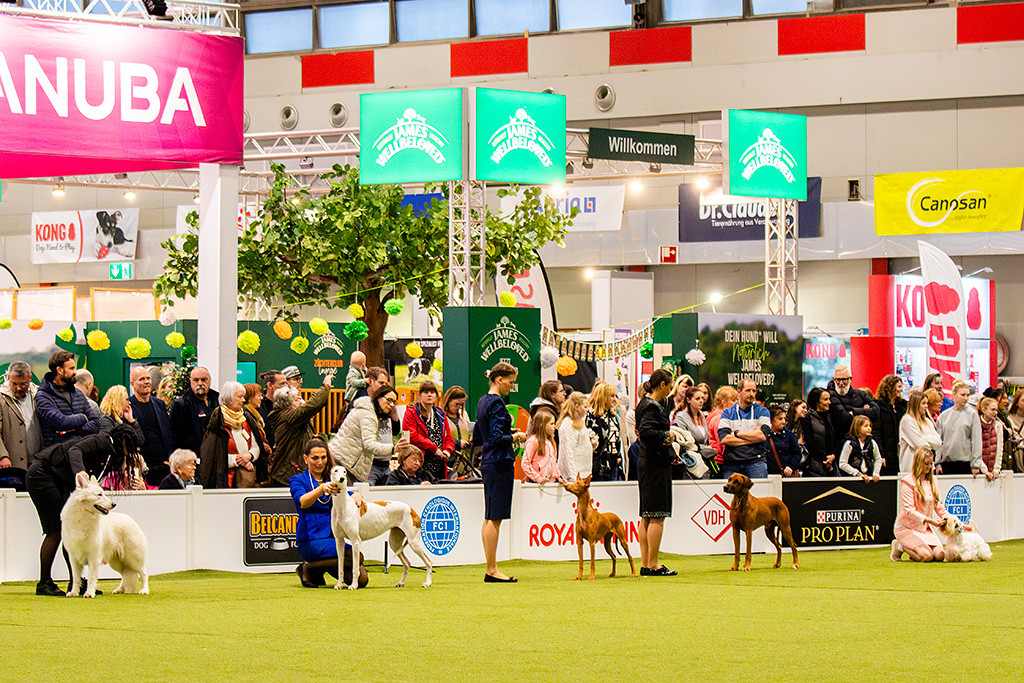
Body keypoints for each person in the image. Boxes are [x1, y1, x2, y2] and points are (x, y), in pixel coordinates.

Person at [26, 423, 138, 596]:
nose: (129, 452)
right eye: (129, 447)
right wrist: (80, 471)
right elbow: (75, 450)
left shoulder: (110, 452)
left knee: (68, 530)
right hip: (42, 475)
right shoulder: (101, 441)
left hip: (57, 478)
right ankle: (45, 583)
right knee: (55, 529)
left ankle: (76, 583)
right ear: (123, 441)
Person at [290, 437, 368, 589]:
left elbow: (345, 491)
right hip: (310, 539)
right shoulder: (298, 480)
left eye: (323, 457)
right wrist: (321, 489)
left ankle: (316, 568)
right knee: (356, 556)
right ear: (306, 459)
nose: (320, 462)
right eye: (315, 458)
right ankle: (308, 568)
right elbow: (302, 502)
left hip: (332, 537)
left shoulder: (331, 479)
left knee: (363, 579)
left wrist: (354, 495)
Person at [477, 361, 526, 583]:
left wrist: (509, 430)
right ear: (499, 380)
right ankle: (492, 569)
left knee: (489, 516)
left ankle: (491, 567)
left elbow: (487, 434)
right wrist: (516, 436)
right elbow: (497, 439)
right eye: (510, 382)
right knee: (494, 517)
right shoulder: (496, 403)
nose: (511, 386)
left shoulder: (482, 401)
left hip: (488, 462)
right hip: (499, 462)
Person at [635, 368, 678, 576]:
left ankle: (645, 563)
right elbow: (646, 431)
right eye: (669, 387)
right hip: (655, 464)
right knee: (657, 516)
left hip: (646, 462)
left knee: (646, 514)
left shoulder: (644, 403)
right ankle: (653, 564)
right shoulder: (652, 407)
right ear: (662, 385)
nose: (670, 391)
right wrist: (666, 436)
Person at [329, 383, 409, 485]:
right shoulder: (368, 414)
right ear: (378, 397)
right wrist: (393, 449)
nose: (392, 405)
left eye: (394, 402)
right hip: (343, 464)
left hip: (346, 463)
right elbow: (369, 444)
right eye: (389, 400)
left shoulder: (372, 412)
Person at [268, 371, 334, 486]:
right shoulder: (288, 417)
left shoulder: (292, 417)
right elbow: (312, 406)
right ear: (287, 404)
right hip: (287, 477)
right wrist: (326, 386)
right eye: (297, 399)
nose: (302, 402)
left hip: (294, 474)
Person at [199, 381, 269, 489]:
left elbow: (256, 446)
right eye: (240, 397)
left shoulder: (246, 418)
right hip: (224, 481)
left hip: (246, 479)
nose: (243, 400)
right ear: (228, 398)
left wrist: (249, 456)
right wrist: (238, 461)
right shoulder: (216, 420)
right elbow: (212, 456)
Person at [891, 447, 947, 563]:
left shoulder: (933, 481)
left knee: (940, 555)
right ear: (919, 463)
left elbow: (939, 506)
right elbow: (909, 511)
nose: (930, 466)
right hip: (907, 527)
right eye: (927, 463)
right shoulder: (907, 482)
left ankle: (915, 551)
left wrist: (948, 519)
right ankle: (899, 546)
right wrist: (930, 520)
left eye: (931, 463)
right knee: (926, 557)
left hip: (925, 528)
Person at [35, 350, 100, 449]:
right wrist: (83, 418)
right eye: (71, 368)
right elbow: (61, 422)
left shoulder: (78, 394)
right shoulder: (43, 396)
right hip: (57, 456)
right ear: (60, 370)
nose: (75, 372)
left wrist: (72, 429)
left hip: (81, 453)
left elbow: (96, 424)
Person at [129, 366, 174, 486]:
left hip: (163, 464)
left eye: (148, 378)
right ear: (132, 384)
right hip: (142, 465)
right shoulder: (129, 406)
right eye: (142, 379)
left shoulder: (159, 404)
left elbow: (167, 433)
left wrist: (169, 458)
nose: (147, 382)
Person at [402, 379, 456, 481]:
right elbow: (412, 436)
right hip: (419, 465)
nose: (429, 395)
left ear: (436, 395)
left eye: (432, 392)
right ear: (420, 395)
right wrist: (434, 448)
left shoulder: (440, 414)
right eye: (426, 392)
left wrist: (447, 451)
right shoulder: (411, 412)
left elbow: (449, 437)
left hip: (440, 465)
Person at [718, 378, 771, 480]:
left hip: (756, 462)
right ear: (739, 392)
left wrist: (737, 433)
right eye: (748, 390)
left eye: (753, 391)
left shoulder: (763, 411)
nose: (751, 394)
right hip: (732, 463)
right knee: (730, 495)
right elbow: (724, 439)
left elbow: (763, 436)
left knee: (759, 494)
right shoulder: (728, 413)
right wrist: (753, 437)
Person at [826, 364, 878, 454]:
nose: (841, 383)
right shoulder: (829, 395)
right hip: (839, 445)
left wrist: (854, 411)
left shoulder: (860, 394)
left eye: (844, 379)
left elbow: (876, 410)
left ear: (850, 379)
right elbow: (844, 419)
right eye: (838, 380)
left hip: (861, 445)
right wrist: (864, 411)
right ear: (834, 379)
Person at [0, 360, 41, 472]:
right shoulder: (1, 398)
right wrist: (2, 456)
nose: (18, 388)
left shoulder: (39, 395)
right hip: (12, 464)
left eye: (23, 384)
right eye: (14, 384)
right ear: (8, 377)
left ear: (30, 378)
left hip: (38, 462)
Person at [169, 366, 219, 456]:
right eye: (196, 380)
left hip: (215, 454)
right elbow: (173, 436)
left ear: (210, 381)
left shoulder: (218, 399)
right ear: (190, 381)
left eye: (204, 380)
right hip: (192, 457)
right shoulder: (181, 404)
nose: (200, 383)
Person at [935, 379, 982, 476]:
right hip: (946, 464)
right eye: (963, 395)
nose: (966, 398)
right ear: (954, 394)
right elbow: (938, 442)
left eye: (968, 395)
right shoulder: (944, 416)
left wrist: (975, 465)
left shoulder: (972, 415)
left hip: (965, 463)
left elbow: (976, 441)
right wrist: (937, 463)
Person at [674, 385, 716, 474]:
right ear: (688, 400)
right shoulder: (681, 417)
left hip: (704, 459)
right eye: (697, 399)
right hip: (690, 462)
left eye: (702, 398)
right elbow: (684, 442)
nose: (701, 401)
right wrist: (703, 447)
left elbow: (706, 438)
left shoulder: (701, 415)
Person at [586, 382, 623, 481]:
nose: (615, 399)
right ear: (603, 397)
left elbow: (617, 439)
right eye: (612, 396)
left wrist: (619, 458)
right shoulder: (590, 416)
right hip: (597, 466)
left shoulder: (614, 417)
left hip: (613, 464)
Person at [898, 390, 941, 473]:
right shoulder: (907, 420)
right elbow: (919, 445)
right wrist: (930, 441)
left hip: (928, 468)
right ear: (916, 404)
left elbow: (938, 442)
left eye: (927, 403)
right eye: (923, 403)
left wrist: (924, 437)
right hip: (911, 467)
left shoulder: (928, 421)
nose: (926, 406)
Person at [557, 390, 595, 482]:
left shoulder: (579, 423)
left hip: (583, 474)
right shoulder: (568, 425)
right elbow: (567, 452)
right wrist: (573, 479)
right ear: (577, 406)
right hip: (574, 477)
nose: (587, 410)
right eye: (585, 407)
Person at [875, 374, 907, 476]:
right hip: (887, 453)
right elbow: (877, 432)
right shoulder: (878, 406)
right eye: (898, 387)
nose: (901, 390)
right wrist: (881, 455)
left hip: (901, 451)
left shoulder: (903, 406)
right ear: (890, 387)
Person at [440, 385, 475, 478]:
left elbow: (469, 431)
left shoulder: (464, 415)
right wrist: (458, 442)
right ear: (448, 401)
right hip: (448, 462)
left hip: (465, 463)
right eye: (456, 404)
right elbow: (440, 438)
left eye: (462, 404)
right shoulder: (440, 417)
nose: (459, 407)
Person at [801, 387, 836, 476]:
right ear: (817, 401)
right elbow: (809, 443)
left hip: (830, 466)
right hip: (813, 466)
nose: (829, 402)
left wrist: (833, 456)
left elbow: (833, 440)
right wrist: (825, 458)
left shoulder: (829, 417)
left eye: (829, 399)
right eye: (825, 399)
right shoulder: (807, 419)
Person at [838, 415, 882, 482]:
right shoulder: (849, 443)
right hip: (852, 480)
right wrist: (857, 473)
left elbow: (878, 459)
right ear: (857, 427)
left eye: (870, 426)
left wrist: (876, 473)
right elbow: (842, 463)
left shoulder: (872, 443)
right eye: (866, 426)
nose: (869, 428)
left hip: (869, 478)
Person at [521, 410, 559, 483]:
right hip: (536, 483)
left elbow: (554, 463)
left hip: (551, 482)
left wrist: (558, 476)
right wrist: (538, 478)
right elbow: (525, 463)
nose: (554, 426)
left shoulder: (552, 442)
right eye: (551, 424)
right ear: (542, 426)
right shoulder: (533, 441)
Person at [764, 406, 801, 478]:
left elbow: (797, 453)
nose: (784, 422)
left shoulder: (789, 434)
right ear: (770, 420)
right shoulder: (764, 435)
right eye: (780, 419)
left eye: (785, 419)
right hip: (770, 476)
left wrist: (791, 467)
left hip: (787, 475)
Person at [707, 385, 737, 470]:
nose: (736, 403)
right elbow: (722, 442)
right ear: (724, 402)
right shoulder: (719, 418)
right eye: (733, 400)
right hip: (721, 461)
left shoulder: (714, 415)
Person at [258, 369, 286, 449]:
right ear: (270, 385)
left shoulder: (287, 406)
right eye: (282, 384)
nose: (285, 387)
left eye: (286, 383)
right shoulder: (259, 406)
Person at [977, 397, 1003, 482]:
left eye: (996, 410)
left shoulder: (998, 426)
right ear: (984, 410)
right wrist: (984, 470)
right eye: (993, 410)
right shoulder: (976, 424)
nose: (995, 413)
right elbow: (975, 451)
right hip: (978, 471)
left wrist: (996, 470)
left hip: (993, 472)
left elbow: (999, 450)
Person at [1006, 390, 1024, 472]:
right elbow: (1015, 437)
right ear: (1016, 403)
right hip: (1017, 457)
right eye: (1023, 400)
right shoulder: (1010, 419)